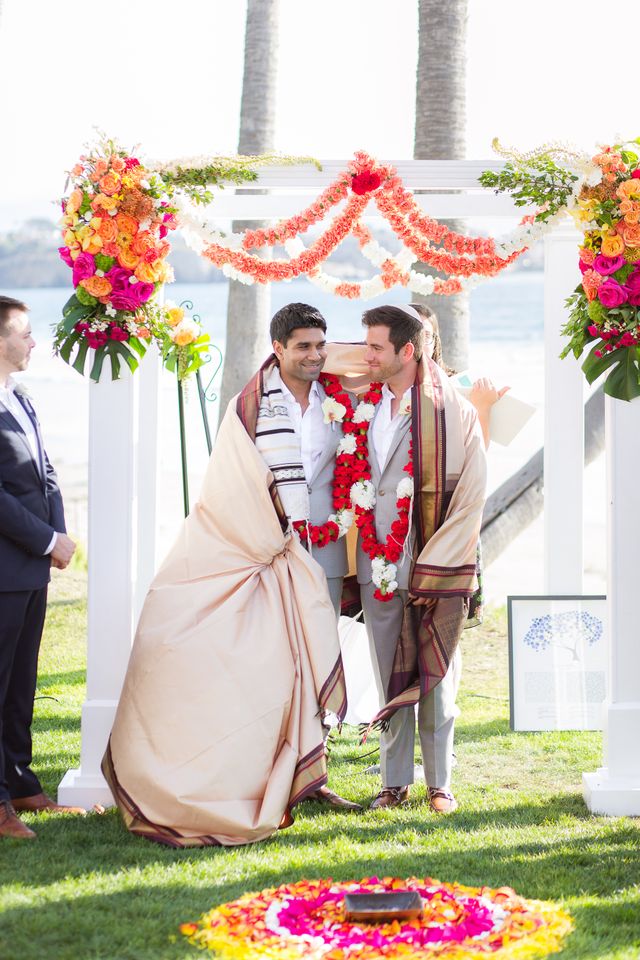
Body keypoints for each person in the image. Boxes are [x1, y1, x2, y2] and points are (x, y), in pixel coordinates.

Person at [103, 303, 351, 847]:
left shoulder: (337, 397)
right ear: (278, 348)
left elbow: (392, 361)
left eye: (320, 345)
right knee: (276, 665)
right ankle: (267, 773)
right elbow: (230, 482)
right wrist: (269, 536)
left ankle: (313, 774)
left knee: (314, 658)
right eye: (303, 347)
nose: (314, 356)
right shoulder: (250, 406)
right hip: (263, 547)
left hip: (322, 550)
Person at [355, 304, 486, 814]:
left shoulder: (453, 410)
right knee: (387, 668)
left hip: (431, 555)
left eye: (376, 347)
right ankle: (393, 782)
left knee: (437, 673)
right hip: (376, 562)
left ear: (407, 350)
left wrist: (443, 562)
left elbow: (472, 492)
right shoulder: (361, 402)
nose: (366, 355)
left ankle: (440, 783)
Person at [0, 295, 82, 841]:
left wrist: (59, 537)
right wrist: (47, 537)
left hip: (31, 567)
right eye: (24, 332)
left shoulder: (21, 397)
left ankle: (21, 782)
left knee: (20, 682)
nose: (34, 341)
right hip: (5, 565)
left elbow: (44, 471)